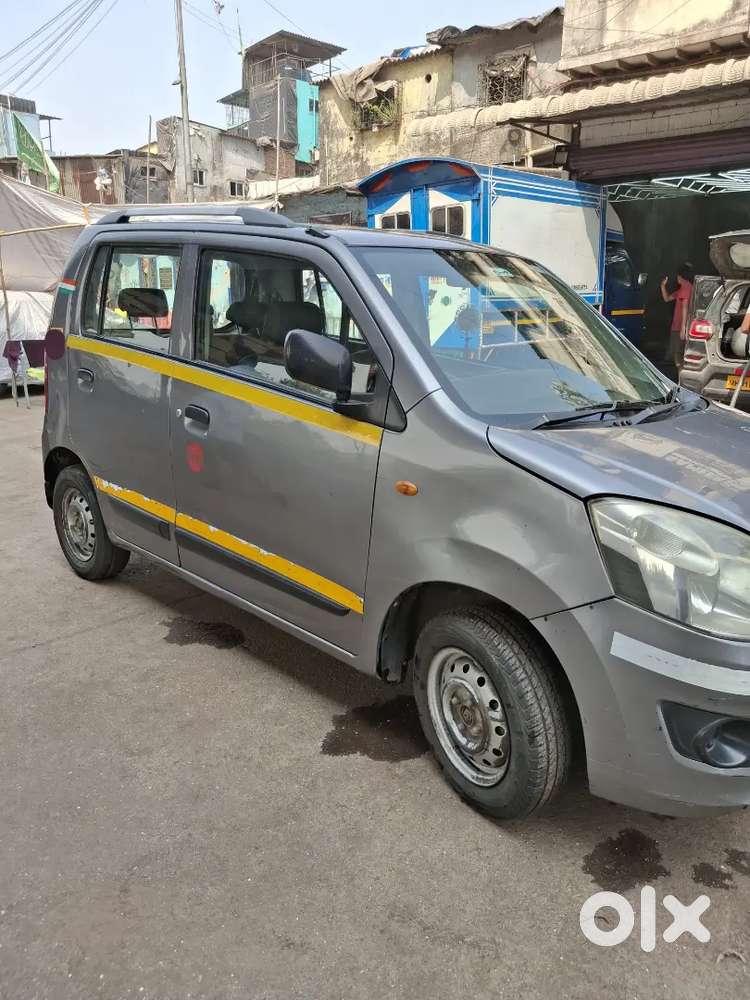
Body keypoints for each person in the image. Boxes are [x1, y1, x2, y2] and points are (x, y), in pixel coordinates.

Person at [660, 262, 694, 375]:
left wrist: (683, 328)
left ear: (680, 276)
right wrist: (663, 286)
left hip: (679, 327)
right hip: (679, 327)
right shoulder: (685, 288)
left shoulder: (685, 289)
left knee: (678, 357)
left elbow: (685, 309)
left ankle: (681, 383)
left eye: (677, 276)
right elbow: (667, 298)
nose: (677, 278)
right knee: (679, 355)